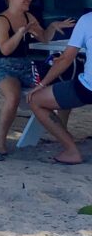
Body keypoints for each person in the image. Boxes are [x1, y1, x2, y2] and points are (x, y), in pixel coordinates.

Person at [0, 0, 75, 160]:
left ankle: (63, 133)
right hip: (2, 67)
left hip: (25, 66)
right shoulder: (1, 20)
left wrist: (52, 27)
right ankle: (0, 143)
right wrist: (20, 33)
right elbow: (5, 50)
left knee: (62, 87)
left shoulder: (28, 16)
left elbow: (43, 38)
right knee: (13, 96)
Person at [26, 10, 92, 165]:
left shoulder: (87, 20)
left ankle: (71, 150)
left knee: (35, 100)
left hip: (88, 88)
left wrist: (42, 84)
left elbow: (66, 59)